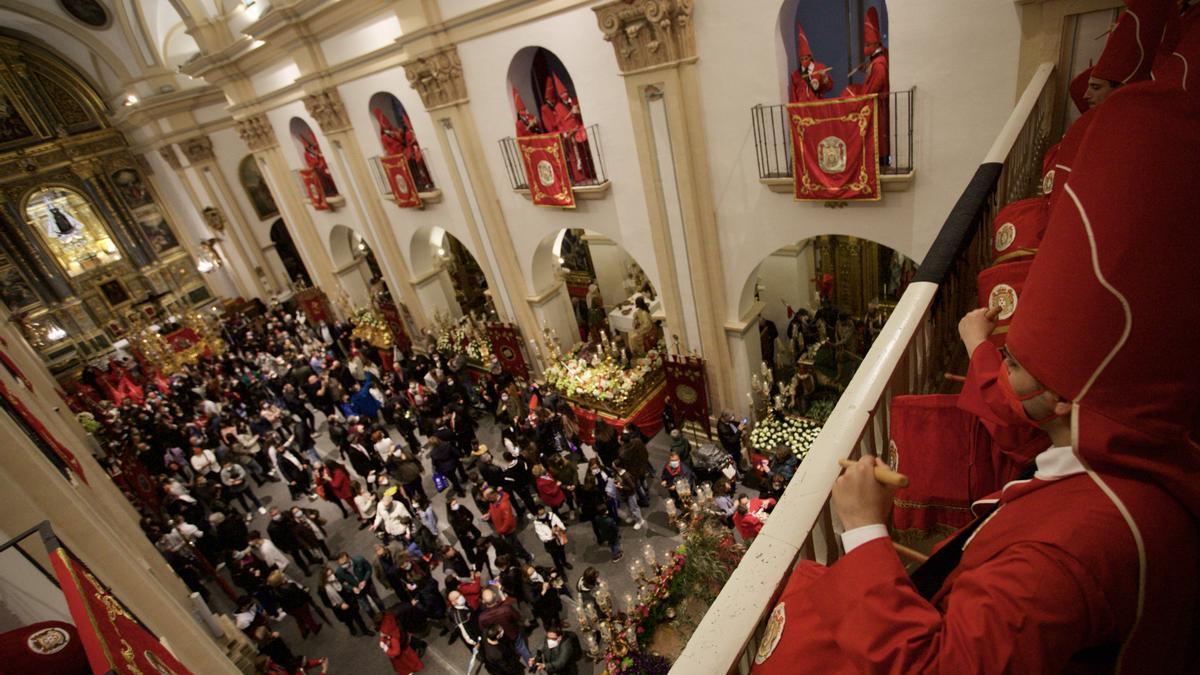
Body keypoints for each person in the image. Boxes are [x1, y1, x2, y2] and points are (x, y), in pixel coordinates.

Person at [752, 61, 1200, 673]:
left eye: (1012, 359)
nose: (1000, 371)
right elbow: (1022, 425)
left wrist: (859, 528)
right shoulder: (1121, 447)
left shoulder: (1065, 557)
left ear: (1067, 398)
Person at [840, 7, 889, 163]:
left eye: (868, 44)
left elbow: (874, 86)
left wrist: (858, 96)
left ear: (875, 44)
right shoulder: (875, 61)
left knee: (878, 137)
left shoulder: (879, 63)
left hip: (877, 107)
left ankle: (880, 161)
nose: (865, 47)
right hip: (874, 104)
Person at [478, 588, 531, 664]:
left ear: (483, 601)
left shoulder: (482, 618)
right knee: (522, 649)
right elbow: (518, 617)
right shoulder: (506, 608)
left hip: (500, 640)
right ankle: (531, 664)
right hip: (513, 635)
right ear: (495, 595)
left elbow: (484, 631)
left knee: (508, 654)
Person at [483, 487, 533, 562]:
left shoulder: (503, 505)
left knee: (516, 544)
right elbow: (492, 509)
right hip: (502, 529)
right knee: (513, 544)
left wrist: (501, 531)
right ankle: (519, 553)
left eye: (488, 498)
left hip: (508, 530)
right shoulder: (493, 501)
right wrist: (489, 514)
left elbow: (508, 521)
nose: (488, 500)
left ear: (493, 494)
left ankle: (527, 557)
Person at [319, 566, 370, 636]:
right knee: (348, 620)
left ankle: (365, 630)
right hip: (339, 608)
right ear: (324, 579)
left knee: (358, 617)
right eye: (329, 576)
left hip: (349, 602)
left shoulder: (337, 577)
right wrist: (340, 605)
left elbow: (346, 587)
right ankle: (351, 628)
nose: (332, 576)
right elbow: (326, 603)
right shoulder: (322, 589)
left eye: (331, 574)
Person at [334, 551, 386, 619]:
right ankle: (376, 620)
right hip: (357, 592)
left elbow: (369, 569)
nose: (344, 565)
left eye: (345, 563)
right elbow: (342, 583)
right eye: (341, 564)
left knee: (377, 601)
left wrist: (365, 580)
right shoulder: (339, 572)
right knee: (367, 608)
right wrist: (352, 588)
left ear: (348, 558)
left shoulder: (359, 560)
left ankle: (386, 614)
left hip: (368, 585)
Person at [789, 23, 832, 103]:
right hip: (803, 108)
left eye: (806, 58)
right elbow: (794, 95)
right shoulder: (795, 75)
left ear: (810, 57)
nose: (804, 60)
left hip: (817, 105)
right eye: (802, 59)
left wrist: (824, 77)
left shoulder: (820, 67)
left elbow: (829, 87)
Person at [531, 504, 571, 578]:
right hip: (550, 544)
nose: (544, 514)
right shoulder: (537, 523)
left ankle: (564, 562)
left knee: (562, 552)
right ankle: (561, 571)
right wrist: (552, 533)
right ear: (537, 514)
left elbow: (560, 524)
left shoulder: (552, 515)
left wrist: (560, 528)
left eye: (544, 512)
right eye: (541, 514)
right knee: (555, 558)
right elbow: (543, 538)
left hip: (559, 538)